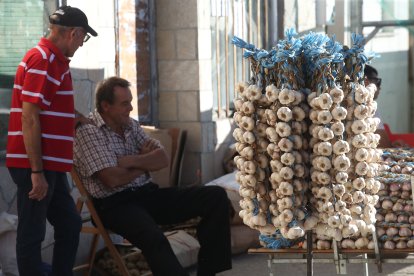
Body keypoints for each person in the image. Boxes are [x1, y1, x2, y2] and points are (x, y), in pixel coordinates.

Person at [73, 76, 232, 276]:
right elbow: (112, 179)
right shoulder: (89, 132)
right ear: (106, 106)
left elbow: (163, 159)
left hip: (147, 195)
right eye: (124, 104)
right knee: (153, 237)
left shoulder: (129, 125)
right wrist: (144, 163)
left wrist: (130, 161)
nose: (130, 108)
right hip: (114, 205)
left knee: (215, 197)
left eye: (130, 102)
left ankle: (209, 272)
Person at [6, 6, 97, 276]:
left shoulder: (55, 61)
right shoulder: (43, 59)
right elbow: (30, 117)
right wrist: (36, 172)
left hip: (51, 165)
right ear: (73, 33)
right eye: (83, 38)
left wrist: (81, 119)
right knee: (32, 233)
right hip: (37, 165)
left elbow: (48, 109)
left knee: (69, 223)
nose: (82, 43)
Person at [364, 64, 393, 148]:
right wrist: (391, 146)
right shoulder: (369, 105)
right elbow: (383, 143)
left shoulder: (370, 104)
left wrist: (392, 144)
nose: (379, 87)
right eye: (377, 81)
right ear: (366, 81)